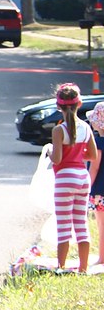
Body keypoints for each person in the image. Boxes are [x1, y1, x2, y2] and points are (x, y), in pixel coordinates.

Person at [49, 83, 97, 272]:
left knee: (63, 224)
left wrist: (50, 152)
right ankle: (83, 267)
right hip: (82, 177)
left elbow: (57, 158)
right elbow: (92, 156)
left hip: (64, 178)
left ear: (58, 106)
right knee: (81, 222)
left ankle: (61, 266)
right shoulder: (85, 127)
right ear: (80, 104)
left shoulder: (59, 130)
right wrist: (78, 155)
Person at [86, 102, 104, 269]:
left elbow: (94, 168)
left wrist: (86, 188)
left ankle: (102, 258)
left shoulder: (98, 143)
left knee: (101, 225)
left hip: (100, 192)